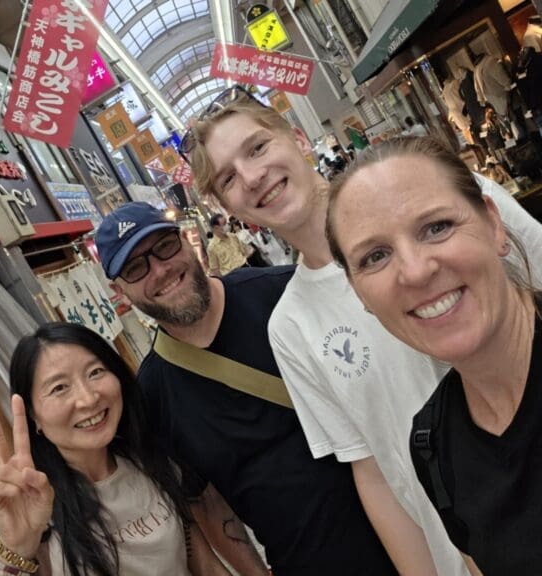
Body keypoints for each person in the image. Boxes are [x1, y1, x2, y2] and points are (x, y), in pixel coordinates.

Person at [185, 86, 542, 575]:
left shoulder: (440, 196)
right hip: (461, 546)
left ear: (298, 139)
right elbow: (371, 467)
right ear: (227, 206)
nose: (252, 176)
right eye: (228, 177)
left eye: (258, 147)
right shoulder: (290, 326)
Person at [94, 201, 395, 575]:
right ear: (119, 291)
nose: (160, 269)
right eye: (136, 268)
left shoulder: (284, 294)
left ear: (189, 242)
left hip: (409, 523)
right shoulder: (152, 395)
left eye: (165, 247)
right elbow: (205, 500)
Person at [325, 136, 540, 576]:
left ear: (494, 224)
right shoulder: (433, 443)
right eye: (376, 256)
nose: (416, 270)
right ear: (358, 293)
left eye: (436, 227)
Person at [0, 322, 229, 576]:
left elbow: (205, 565)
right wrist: (18, 548)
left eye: (96, 372)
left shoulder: (148, 459)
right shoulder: (25, 502)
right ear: (34, 416)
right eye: (59, 388)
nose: (88, 398)